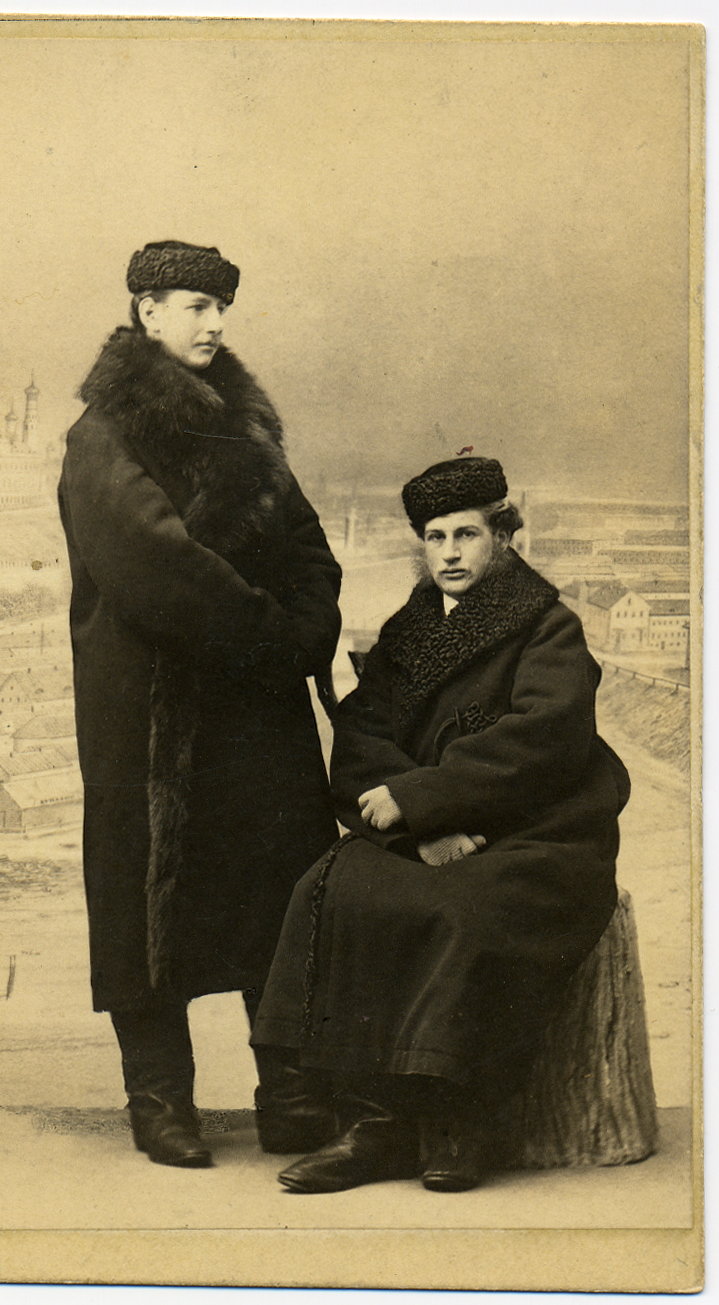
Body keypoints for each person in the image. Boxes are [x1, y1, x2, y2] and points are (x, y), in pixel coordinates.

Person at [250, 455, 631, 1194]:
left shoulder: (547, 625)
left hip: (539, 830)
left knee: (462, 911)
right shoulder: (411, 629)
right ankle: (376, 1120)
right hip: (432, 827)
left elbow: (545, 739)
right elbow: (362, 737)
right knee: (335, 889)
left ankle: (455, 1114)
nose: (450, 553)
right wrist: (416, 831)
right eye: (434, 537)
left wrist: (425, 797)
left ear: (504, 538)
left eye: (467, 534)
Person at [58, 240, 342, 1169]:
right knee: (151, 892)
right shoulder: (105, 433)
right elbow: (159, 568)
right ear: (146, 311)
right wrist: (275, 638)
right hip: (154, 712)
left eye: (222, 306)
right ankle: (159, 1098)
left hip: (255, 710)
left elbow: (310, 547)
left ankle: (290, 1093)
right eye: (193, 305)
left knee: (277, 881)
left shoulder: (247, 424)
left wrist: (306, 631)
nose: (214, 323)